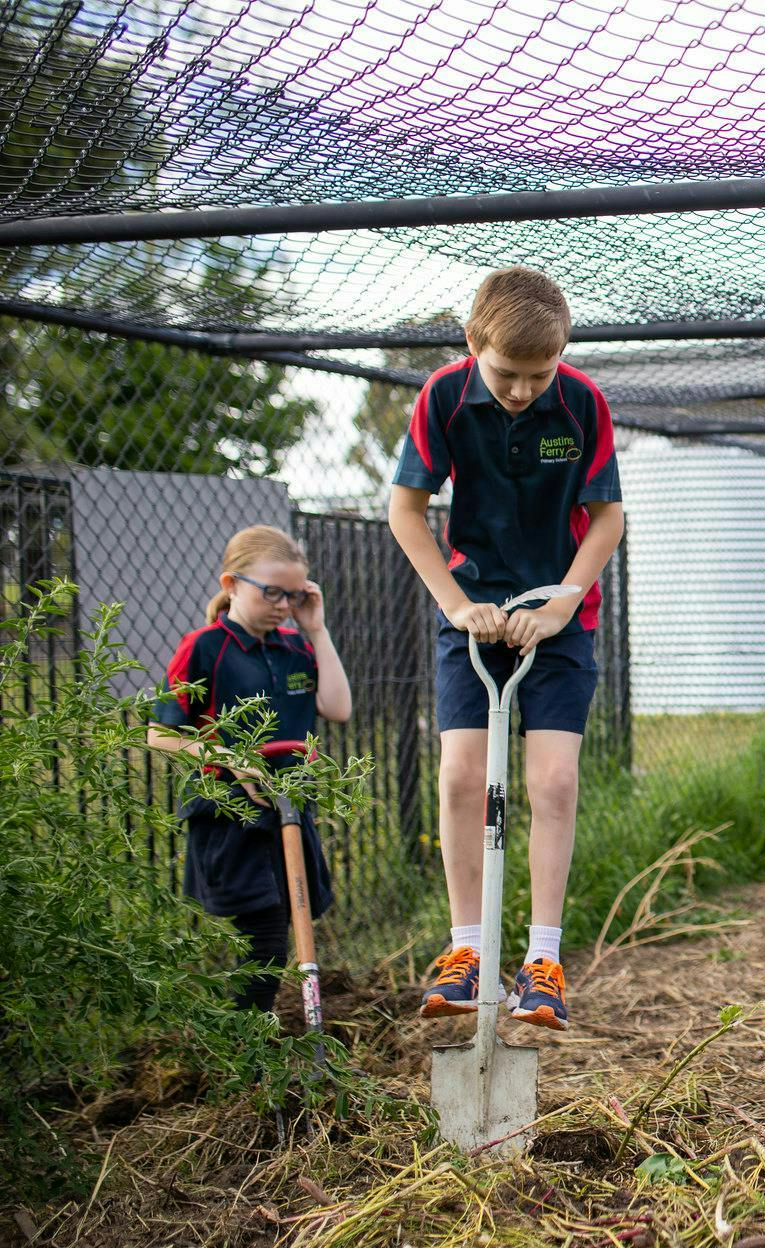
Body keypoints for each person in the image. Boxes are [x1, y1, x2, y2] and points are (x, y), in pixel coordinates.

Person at [388, 266, 624, 1031]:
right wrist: (456, 604)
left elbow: (608, 518)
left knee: (551, 783)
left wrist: (560, 602)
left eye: (537, 375)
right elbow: (406, 511)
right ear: (471, 343)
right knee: (460, 776)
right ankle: (466, 951)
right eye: (505, 373)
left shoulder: (582, 402)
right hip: (474, 612)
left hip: (557, 619)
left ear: (561, 357)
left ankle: (544, 959)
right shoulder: (444, 397)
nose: (521, 390)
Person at [148, 525, 353, 1012]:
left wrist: (316, 629)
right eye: (273, 592)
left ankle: (250, 1037)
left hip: (289, 811)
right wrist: (228, 758)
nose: (284, 604)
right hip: (231, 816)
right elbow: (159, 732)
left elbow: (338, 707)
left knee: (279, 926)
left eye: (295, 593)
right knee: (263, 932)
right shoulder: (204, 647)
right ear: (231, 584)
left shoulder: (296, 647)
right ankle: (246, 1044)